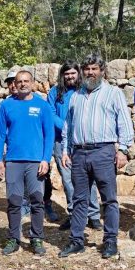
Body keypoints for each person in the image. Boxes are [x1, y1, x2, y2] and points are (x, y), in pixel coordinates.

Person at [59, 54, 134, 259]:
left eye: (94, 69)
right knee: (79, 199)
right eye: (87, 69)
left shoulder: (113, 93)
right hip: (79, 153)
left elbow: (124, 123)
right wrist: (66, 151)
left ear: (102, 71)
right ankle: (76, 241)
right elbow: (68, 126)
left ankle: (110, 241)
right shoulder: (76, 96)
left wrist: (123, 150)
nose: (90, 72)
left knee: (109, 199)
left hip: (103, 151)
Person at [0, 70, 54, 256]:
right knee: (14, 201)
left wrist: (46, 159)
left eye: (26, 81)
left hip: (35, 162)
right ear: (15, 84)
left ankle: (36, 238)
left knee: (37, 200)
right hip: (13, 161)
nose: (22, 84)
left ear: (33, 83)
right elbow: (0, 135)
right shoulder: (6, 105)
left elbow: (49, 135)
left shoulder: (42, 106)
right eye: (19, 81)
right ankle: (13, 238)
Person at [47, 62, 102, 231]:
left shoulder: (84, 90)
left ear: (78, 74)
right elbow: (50, 113)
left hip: (80, 140)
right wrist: (65, 126)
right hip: (60, 141)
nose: (70, 76)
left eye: (73, 73)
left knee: (88, 178)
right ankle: (74, 214)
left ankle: (93, 215)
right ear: (62, 75)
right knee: (68, 179)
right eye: (67, 74)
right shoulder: (55, 92)